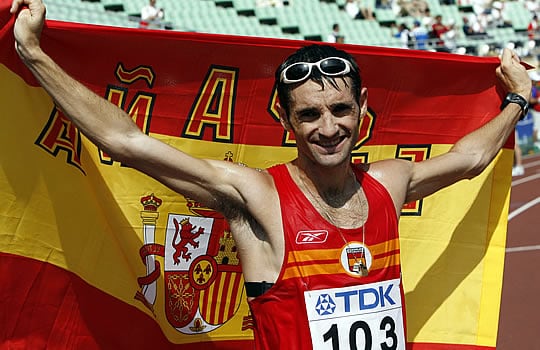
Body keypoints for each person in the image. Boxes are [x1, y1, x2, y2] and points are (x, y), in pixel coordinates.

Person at [10, 0, 532, 348]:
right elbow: (125, 142)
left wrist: (515, 101)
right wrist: (33, 54)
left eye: (341, 111)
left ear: (362, 108)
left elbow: (470, 159)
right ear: (283, 120)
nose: (328, 128)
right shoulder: (255, 194)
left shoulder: (389, 183)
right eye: (308, 115)